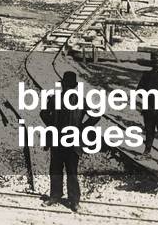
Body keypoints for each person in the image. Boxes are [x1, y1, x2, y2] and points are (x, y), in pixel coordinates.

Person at [40, 70, 98, 210]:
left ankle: (74, 201)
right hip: (57, 140)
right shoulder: (55, 99)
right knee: (55, 169)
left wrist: (83, 127)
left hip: (73, 142)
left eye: (69, 85)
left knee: (72, 171)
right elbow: (43, 113)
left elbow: (95, 115)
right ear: (63, 85)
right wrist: (51, 125)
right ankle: (55, 196)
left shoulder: (81, 100)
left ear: (73, 86)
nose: (67, 88)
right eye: (65, 85)